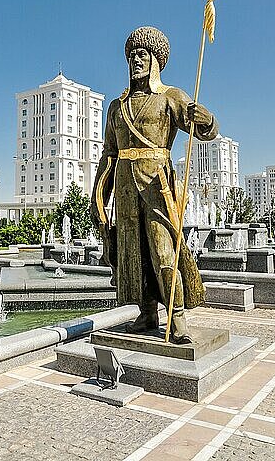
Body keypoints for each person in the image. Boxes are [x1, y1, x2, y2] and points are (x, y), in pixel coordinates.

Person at [91, 26, 218, 342]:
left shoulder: (170, 97)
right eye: (132, 55)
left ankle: (176, 318)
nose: (135, 60)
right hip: (124, 187)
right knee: (132, 253)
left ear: (156, 60)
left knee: (163, 252)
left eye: (142, 54)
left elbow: (202, 130)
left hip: (157, 185)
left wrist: (207, 120)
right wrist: (98, 199)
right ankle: (146, 313)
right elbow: (109, 155)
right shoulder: (117, 107)